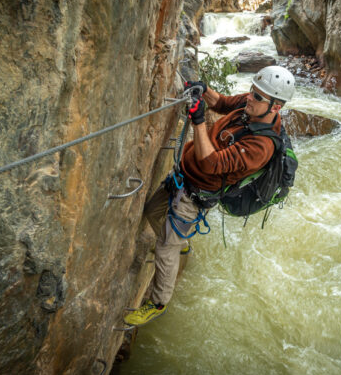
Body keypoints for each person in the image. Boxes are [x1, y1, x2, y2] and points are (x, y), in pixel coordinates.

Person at [124, 65, 296, 326]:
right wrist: (203, 90)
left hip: (195, 195)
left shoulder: (262, 146)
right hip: (183, 177)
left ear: (275, 107)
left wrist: (198, 121)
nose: (250, 97)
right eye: (252, 90)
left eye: (258, 96)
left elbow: (211, 163)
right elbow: (223, 102)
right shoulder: (252, 106)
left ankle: (158, 303)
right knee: (151, 212)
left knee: (164, 247)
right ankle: (180, 246)